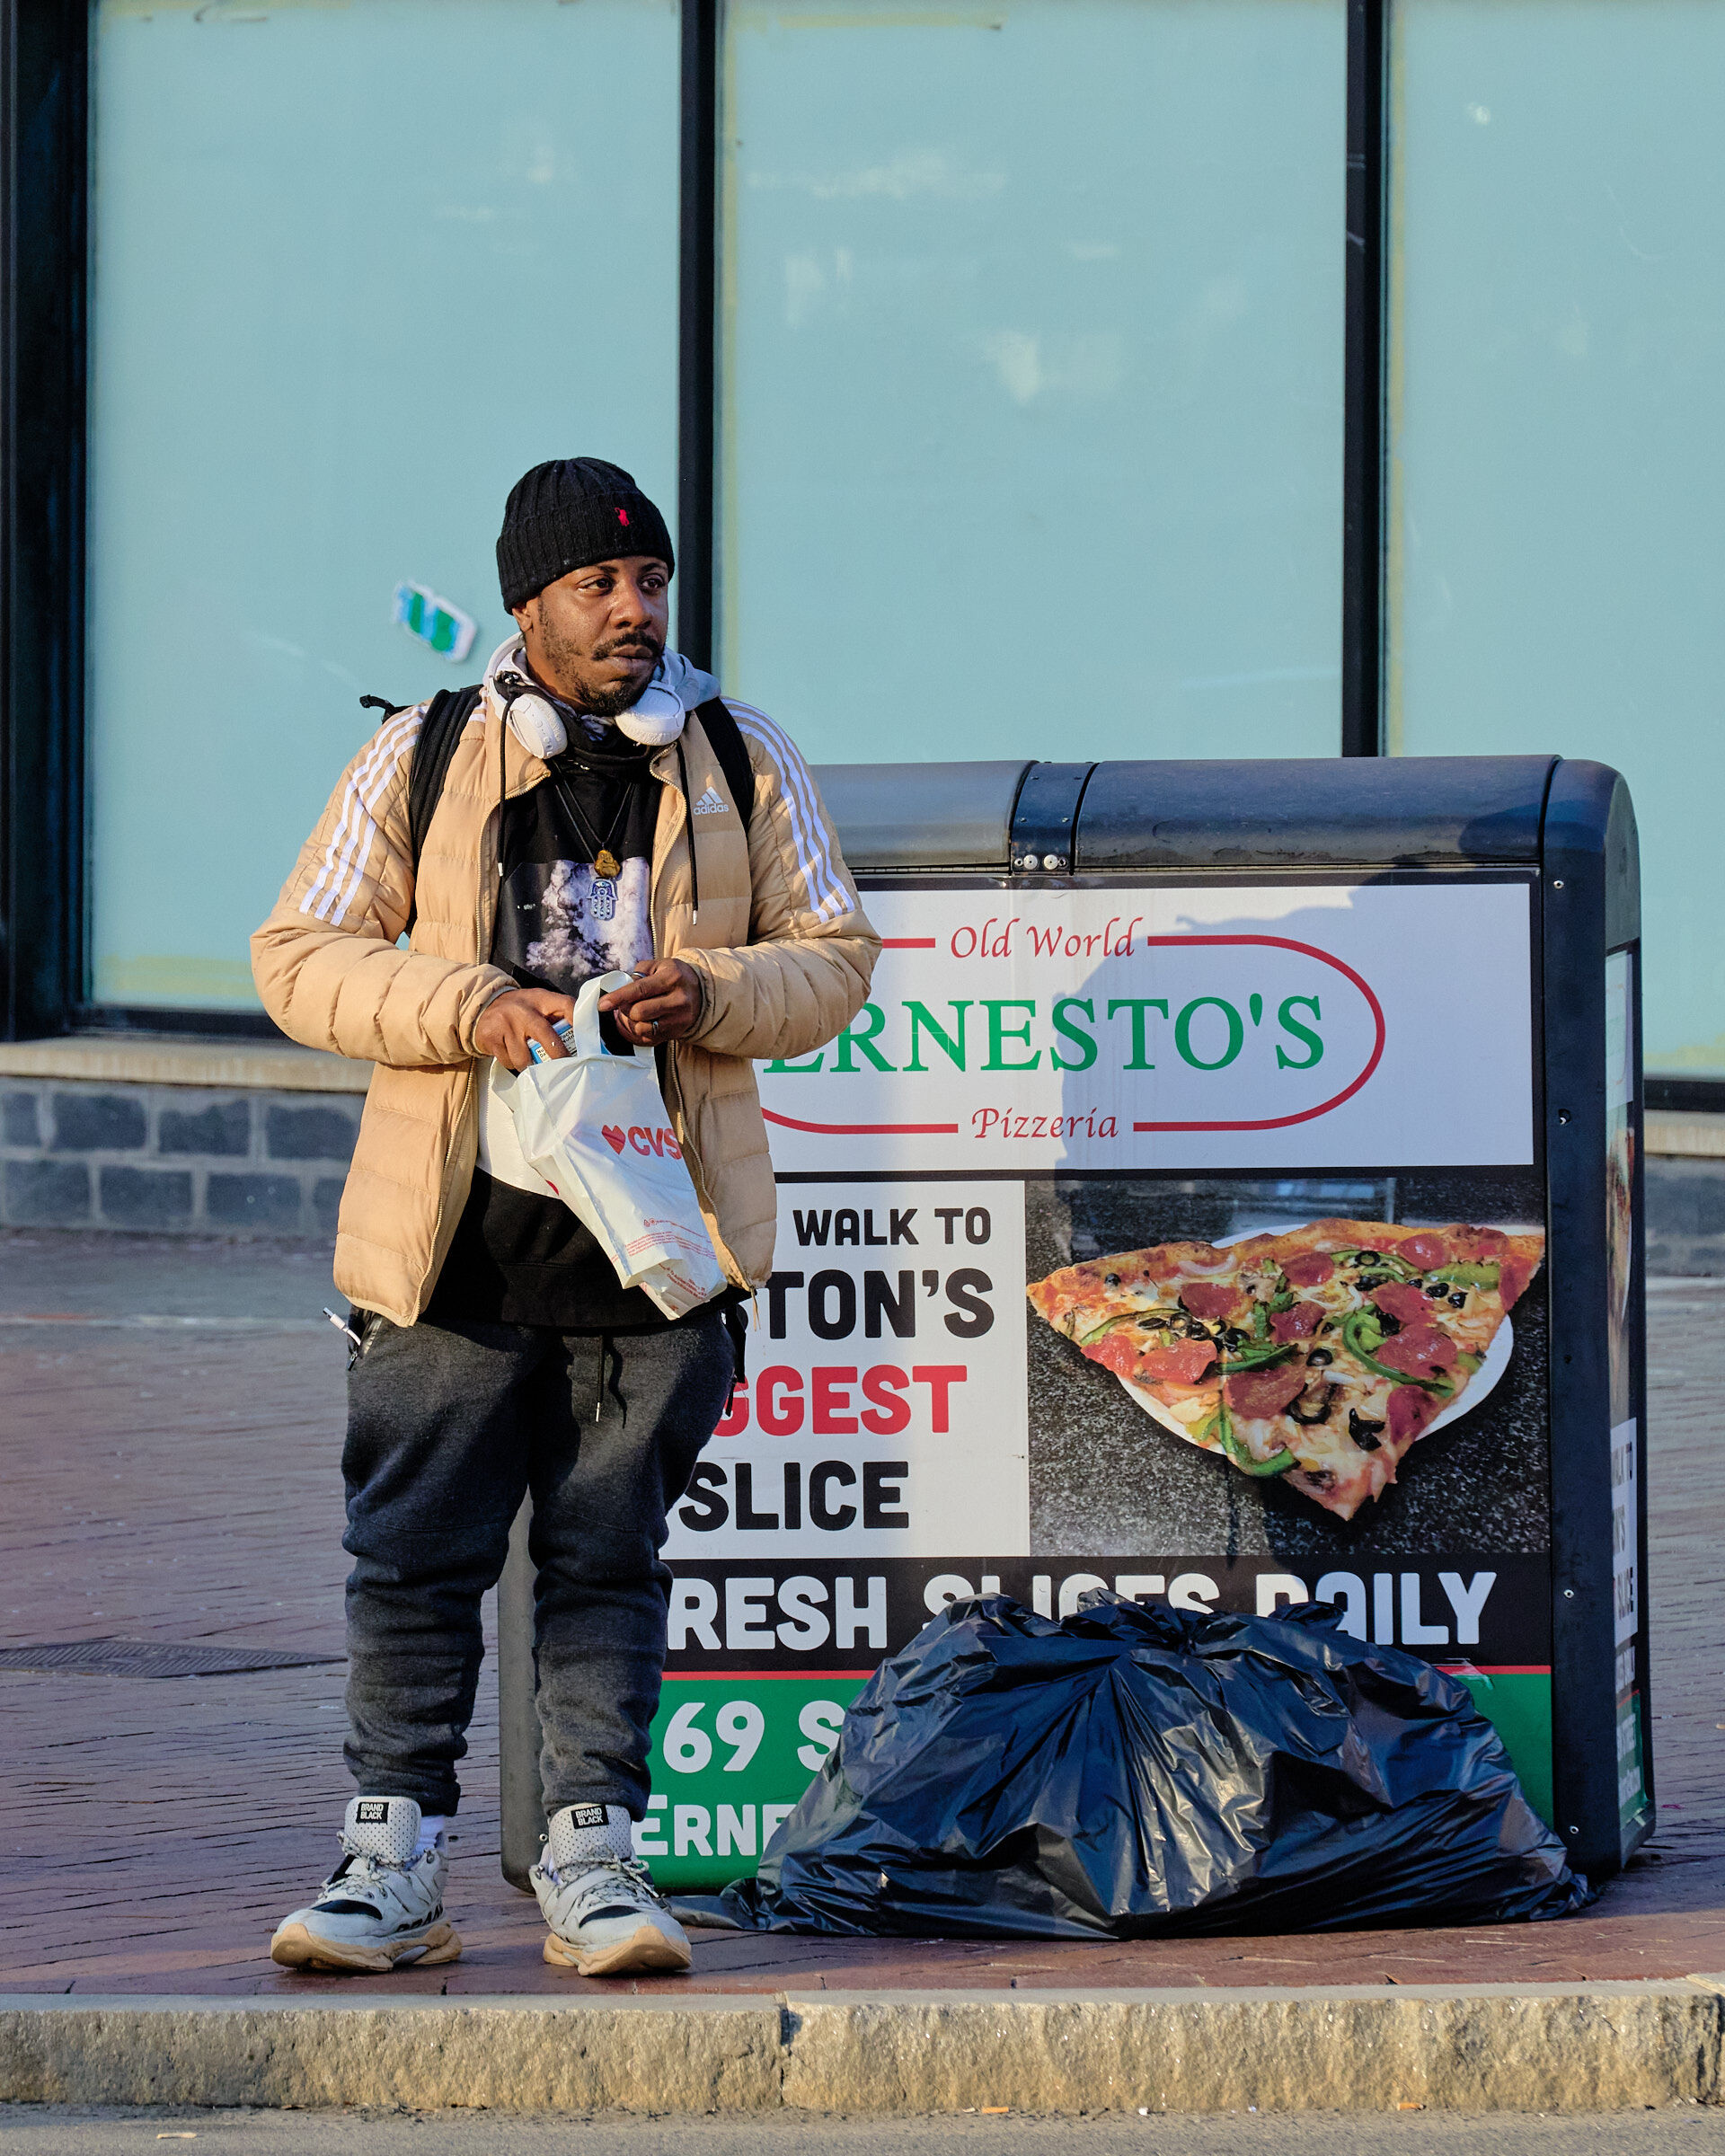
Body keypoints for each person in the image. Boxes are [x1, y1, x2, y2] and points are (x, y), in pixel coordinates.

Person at [251, 457, 878, 1978]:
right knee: (414, 1561)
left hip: (655, 1244)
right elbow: (297, 955)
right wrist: (467, 1003)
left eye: (649, 580)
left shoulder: (739, 754)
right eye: (598, 585)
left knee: (607, 1560)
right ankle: (391, 1866)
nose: (632, 610)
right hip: (451, 1248)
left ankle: (596, 1862)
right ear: (526, 605)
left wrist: (711, 991)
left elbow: (838, 958)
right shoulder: (422, 752)